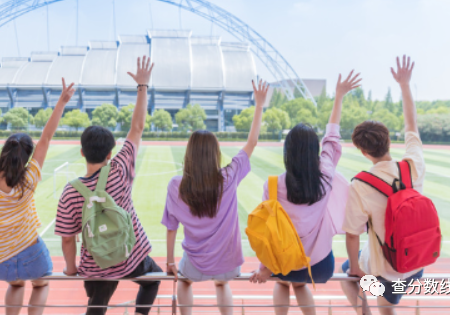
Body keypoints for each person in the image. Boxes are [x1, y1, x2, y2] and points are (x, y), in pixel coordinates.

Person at [249, 70, 362, 315]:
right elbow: (331, 139)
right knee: (299, 284)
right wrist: (339, 96)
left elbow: (269, 234)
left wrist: (265, 268)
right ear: (314, 151)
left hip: (283, 263)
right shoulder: (325, 176)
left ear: (288, 153)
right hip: (320, 265)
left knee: (281, 282)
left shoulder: (272, 185)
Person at [55, 56, 160, 315]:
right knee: (154, 278)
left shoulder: (70, 191)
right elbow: (137, 128)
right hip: (131, 255)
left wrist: (71, 269)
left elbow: (68, 239)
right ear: (110, 153)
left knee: (97, 301)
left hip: (96, 266)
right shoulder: (120, 168)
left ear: (81, 153)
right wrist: (142, 85)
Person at [162, 80, 270, 315]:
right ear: (216, 154)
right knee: (222, 284)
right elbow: (252, 143)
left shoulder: (175, 186)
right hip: (228, 265)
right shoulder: (228, 177)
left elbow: (171, 227)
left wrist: (170, 260)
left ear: (189, 154)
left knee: (184, 281)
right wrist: (259, 105)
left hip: (194, 264)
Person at [0, 78, 75, 315]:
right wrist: (61, 101)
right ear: (26, 157)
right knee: (42, 285)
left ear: (3, 152)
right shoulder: (28, 180)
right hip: (31, 252)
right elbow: (46, 139)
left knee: (15, 284)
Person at [341, 55, 424, 315]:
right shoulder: (413, 166)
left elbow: (352, 233)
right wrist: (404, 85)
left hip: (389, 271)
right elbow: (412, 125)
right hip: (417, 264)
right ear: (389, 142)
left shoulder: (361, 184)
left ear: (363, 152)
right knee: (386, 296)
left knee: (348, 277)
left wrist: (355, 267)